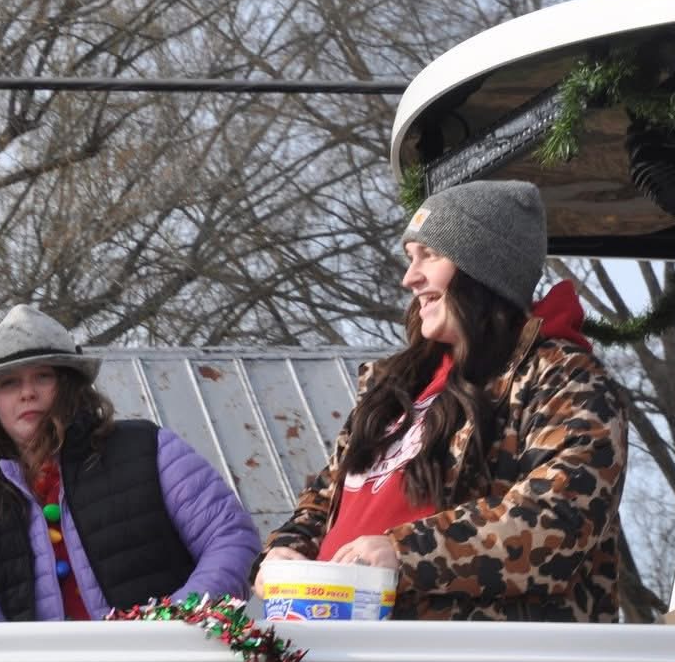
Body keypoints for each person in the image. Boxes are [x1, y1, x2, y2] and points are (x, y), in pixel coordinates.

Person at [259, 180, 626, 622]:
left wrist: (404, 553)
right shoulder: (394, 387)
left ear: (483, 268)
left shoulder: (563, 377)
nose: (409, 278)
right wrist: (287, 548)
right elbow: (324, 497)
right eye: (411, 259)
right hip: (337, 644)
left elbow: (558, 521)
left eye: (428, 256)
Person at [0, 305, 261, 621]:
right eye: (9, 383)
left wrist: (176, 620)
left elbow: (232, 541)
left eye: (43, 376)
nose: (28, 393)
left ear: (70, 385)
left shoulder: (149, 449)